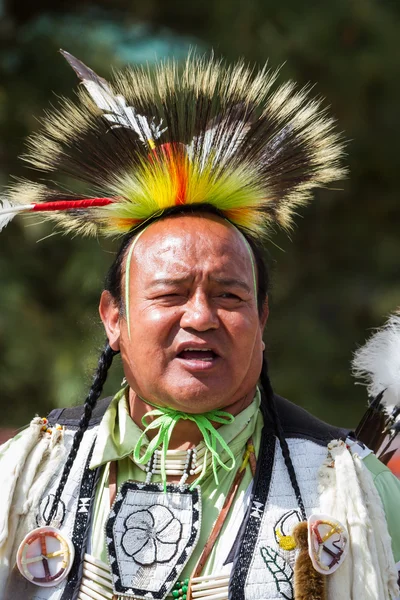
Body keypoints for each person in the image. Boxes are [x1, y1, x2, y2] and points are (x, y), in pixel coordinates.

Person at [0, 51, 399, 600]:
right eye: (169, 293)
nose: (201, 317)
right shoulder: (24, 476)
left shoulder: (347, 489)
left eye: (229, 296)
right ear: (113, 318)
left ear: (261, 318)